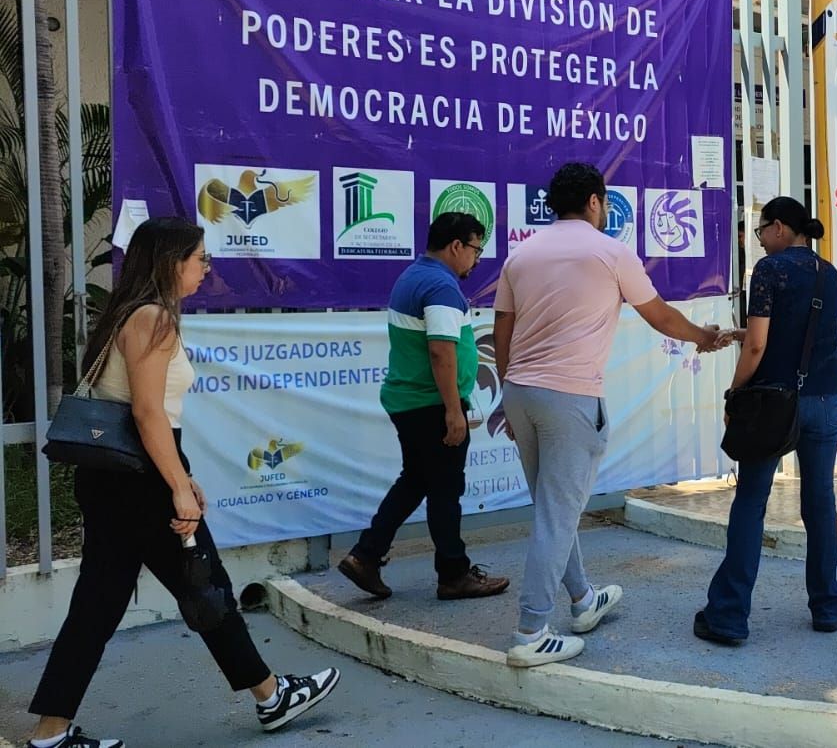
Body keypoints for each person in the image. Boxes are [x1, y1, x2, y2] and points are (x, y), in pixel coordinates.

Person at [25, 217, 339, 748]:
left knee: (98, 606)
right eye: (201, 258)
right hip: (142, 480)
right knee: (205, 585)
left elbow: (142, 413)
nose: (206, 268)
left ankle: (50, 733)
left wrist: (180, 475)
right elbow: (149, 414)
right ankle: (271, 695)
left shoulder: (126, 314)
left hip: (113, 478)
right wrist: (177, 485)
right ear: (172, 262)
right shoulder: (154, 319)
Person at [493, 162, 729, 666]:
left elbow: (502, 334)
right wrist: (705, 338)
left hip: (520, 392)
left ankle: (582, 600)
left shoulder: (521, 254)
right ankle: (530, 632)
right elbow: (660, 315)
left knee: (551, 508)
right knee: (557, 515)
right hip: (571, 398)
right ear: (596, 201)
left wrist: (509, 397)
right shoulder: (610, 252)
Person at [695, 196, 837, 646]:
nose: (758, 240)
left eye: (760, 231)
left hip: (773, 404)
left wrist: (734, 392)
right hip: (825, 398)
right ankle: (828, 606)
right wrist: (739, 334)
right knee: (819, 503)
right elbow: (797, 332)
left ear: (779, 228)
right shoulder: (828, 272)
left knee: (751, 501)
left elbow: (759, 347)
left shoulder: (769, 271)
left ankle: (727, 615)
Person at [337, 213, 511, 602]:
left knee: (417, 479)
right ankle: (453, 573)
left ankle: (365, 555)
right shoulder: (439, 286)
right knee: (445, 488)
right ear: (456, 246)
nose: (477, 259)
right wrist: (453, 410)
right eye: (475, 249)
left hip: (412, 401)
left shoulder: (415, 276)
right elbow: (441, 351)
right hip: (430, 404)